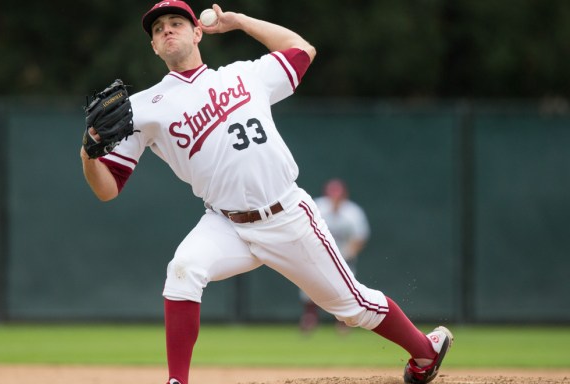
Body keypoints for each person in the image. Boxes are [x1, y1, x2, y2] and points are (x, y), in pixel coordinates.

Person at [79, 2, 453, 383]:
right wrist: (87, 155)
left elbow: (302, 50)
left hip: (286, 215)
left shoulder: (243, 75)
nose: (167, 31)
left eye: (177, 23)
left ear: (197, 32)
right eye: (158, 30)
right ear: (154, 47)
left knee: (352, 307)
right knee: (183, 270)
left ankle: (426, 351)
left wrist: (238, 21)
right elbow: (108, 190)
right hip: (225, 223)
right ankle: (177, 381)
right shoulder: (140, 109)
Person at [299, 178, 370, 335]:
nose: (335, 199)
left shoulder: (353, 212)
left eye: (338, 196)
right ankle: (310, 317)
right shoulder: (318, 206)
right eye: (332, 195)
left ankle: (345, 322)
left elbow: (360, 238)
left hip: (343, 257)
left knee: (345, 289)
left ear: (344, 196)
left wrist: (346, 254)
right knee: (309, 285)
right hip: (318, 255)